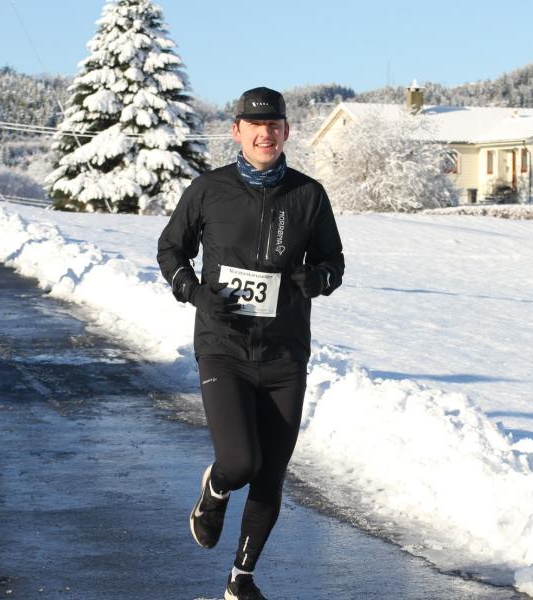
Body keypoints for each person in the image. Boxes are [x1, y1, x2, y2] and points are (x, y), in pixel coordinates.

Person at [157, 87, 345, 600]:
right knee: (242, 463)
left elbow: (334, 263)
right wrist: (193, 293)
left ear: (287, 132)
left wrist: (318, 279)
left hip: (285, 354)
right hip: (224, 347)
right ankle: (214, 490)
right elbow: (171, 248)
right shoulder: (209, 190)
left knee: (272, 474)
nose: (266, 134)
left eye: (275, 125)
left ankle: (241, 579)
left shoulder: (309, 195)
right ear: (237, 131)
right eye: (254, 125)